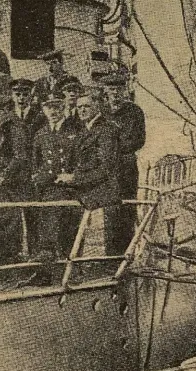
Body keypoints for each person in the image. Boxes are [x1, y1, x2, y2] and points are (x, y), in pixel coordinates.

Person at [55, 88, 121, 256]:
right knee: (53, 197)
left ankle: (71, 260)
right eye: (79, 107)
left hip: (102, 187)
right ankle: (65, 259)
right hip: (86, 185)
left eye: (86, 106)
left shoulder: (106, 130)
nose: (82, 110)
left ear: (97, 107)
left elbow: (106, 169)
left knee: (64, 203)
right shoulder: (84, 130)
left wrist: (75, 179)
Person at [31, 93, 82, 262]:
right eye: (49, 107)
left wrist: (74, 178)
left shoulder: (74, 131)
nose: (53, 111)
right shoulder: (40, 134)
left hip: (70, 187)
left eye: (57, 107)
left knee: (71, 228)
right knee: (48, 221)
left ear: (64, 108)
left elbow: (81, 160)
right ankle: (47, 262)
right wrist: (40, 177)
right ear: (44, 110)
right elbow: (36, 162)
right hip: (48, 187)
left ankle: (73, 265)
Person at [103, 73, 145, 255]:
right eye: (112, 90)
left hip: (127, 167)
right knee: (110, 211)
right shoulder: (102, 112)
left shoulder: (134, 112)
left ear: (125, 90)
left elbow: (138, 140)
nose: (116, 93)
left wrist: (114, 146)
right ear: (105, 91)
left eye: (119, 89)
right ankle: (111, 256)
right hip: (108, 169)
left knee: (127, 210)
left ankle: (127, 254)